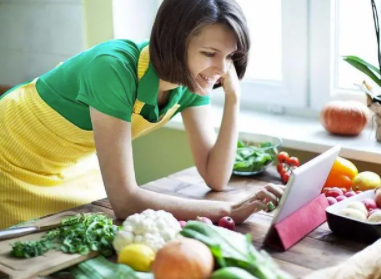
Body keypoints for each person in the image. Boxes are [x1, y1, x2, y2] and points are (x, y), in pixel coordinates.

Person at [0, 0, 284, 229]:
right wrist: (226, 209)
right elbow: (124, 200)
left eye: (230, 56)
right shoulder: (112, 68)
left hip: (66, 163)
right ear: (173, 42)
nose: (222, 69)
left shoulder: (191, 82)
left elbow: (216, 177)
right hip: (9, 155)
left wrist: (234, 99)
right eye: (210, 53)